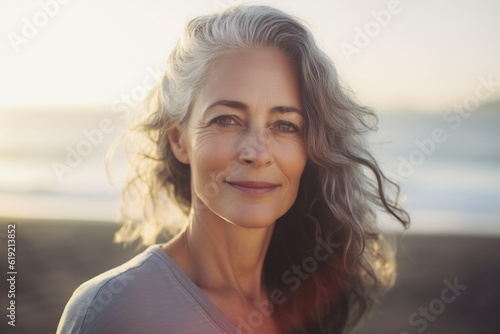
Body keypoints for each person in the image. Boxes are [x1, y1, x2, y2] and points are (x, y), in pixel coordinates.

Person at [57, 5, 409, 334]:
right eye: (226, 120)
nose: (257, 153)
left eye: (285, 125)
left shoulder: (307, 299)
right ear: (180, 140)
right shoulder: (113, 311)